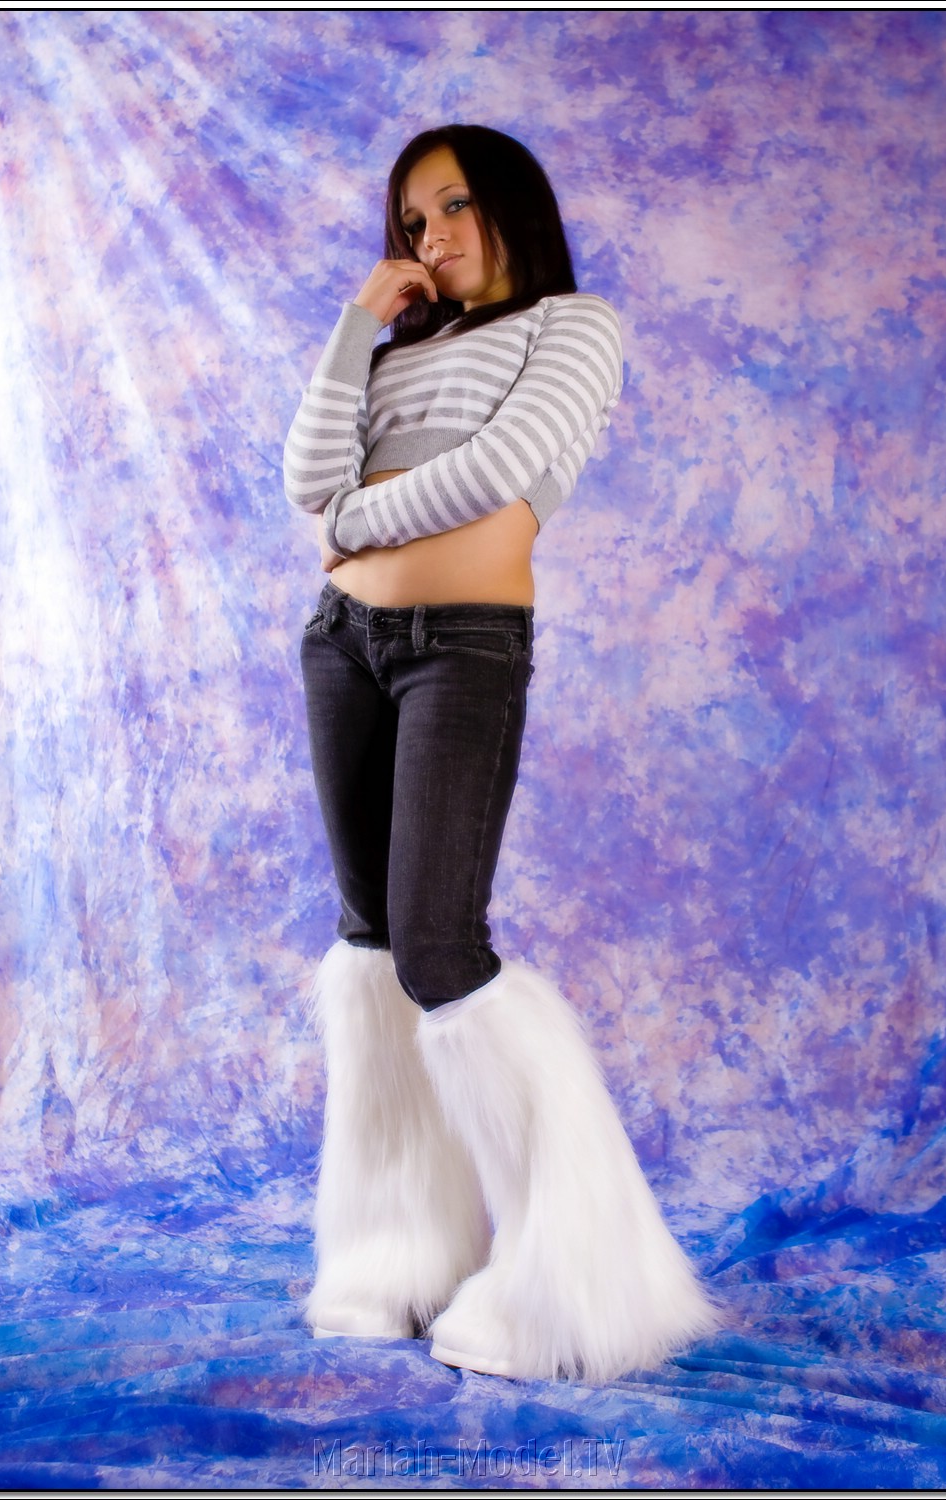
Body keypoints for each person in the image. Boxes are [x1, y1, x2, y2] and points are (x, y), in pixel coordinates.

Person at [283, 124, 717, 1382]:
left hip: (462, 647)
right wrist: (355, 327)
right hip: (341, 645)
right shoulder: (396, 351)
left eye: (455, 205)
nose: (432, 237)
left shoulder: (574, 328)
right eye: (412, 222)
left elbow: (499, 471)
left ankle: (568, 1284)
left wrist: (354, 516)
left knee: (438, 950)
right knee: (371, 950)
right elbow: (306, 476)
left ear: (511, 203)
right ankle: (395, 1257)